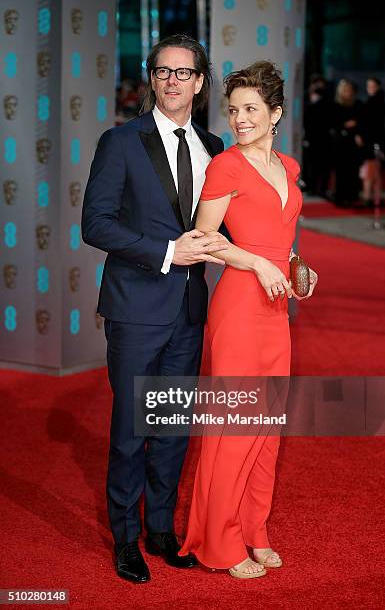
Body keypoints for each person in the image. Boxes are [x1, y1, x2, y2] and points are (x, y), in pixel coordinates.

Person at [82, 34, 228, 584]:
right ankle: (125, 536)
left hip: (191, 308)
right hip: (136, 307)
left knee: (171, 426)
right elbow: (95, 223)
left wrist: (280, 259)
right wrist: (168, 251)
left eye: (184, 73)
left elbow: (230, 228)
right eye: (163, 72)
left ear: (200, 82)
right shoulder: (121, 141)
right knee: (131, 428)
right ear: (152, 79)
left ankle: (160, 527)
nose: (174, 81)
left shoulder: (216, 147)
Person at [179, 61, 318, 579]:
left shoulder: (290, 166)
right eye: (233, 109)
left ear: (275, 113)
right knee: (234, 428)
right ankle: (220, 540)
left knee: (265, 429)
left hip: (277, 308)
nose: (238, 119)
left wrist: (296, 267)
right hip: (239, 305)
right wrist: (256, 262)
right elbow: (203, 239)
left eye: (250, 109)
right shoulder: (227, 167)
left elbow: (281, 236)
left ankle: (255, 529)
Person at [331, 79, 364, 206]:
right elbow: (333, 123)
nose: (348, 92)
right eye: (345, 89)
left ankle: (352, 195)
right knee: (341, 170)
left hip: (353, 143)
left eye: (350, 90)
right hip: (340, 143)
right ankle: (340, 196)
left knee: (353, 170)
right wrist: (345, 125)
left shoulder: (357, 104)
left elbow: (362, 121)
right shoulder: (336, 105)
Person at [360, 77, 385, 205]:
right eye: (368, 86)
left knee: (371, 170)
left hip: (374, 141)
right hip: (374, 140)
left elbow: (370, 123)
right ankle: (373, 196)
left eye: (372, 86)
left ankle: (368, 196)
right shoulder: (375, 100)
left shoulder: (376, 102)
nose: (369, 88)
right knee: (375, 170)